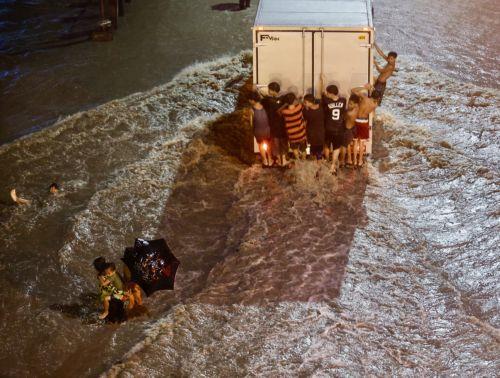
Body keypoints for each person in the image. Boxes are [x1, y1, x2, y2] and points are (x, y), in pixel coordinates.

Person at [351, 84, 381, 168]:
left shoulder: (364, 98)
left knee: (355, 142)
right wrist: (372, 90)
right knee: (361, 143)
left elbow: (353, 90)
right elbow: (373, 115)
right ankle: (360, 161)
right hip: (364, 122)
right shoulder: (375, 105)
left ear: (371, 94)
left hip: (357, 120)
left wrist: (364, 87)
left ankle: (354, 161)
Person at [261, 82, 289, 167]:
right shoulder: (283, 99)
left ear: (273, 90)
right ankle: (283, 159)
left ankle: (279, 161)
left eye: (269, 89)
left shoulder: (268, 101)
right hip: (283, 126)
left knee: (275, 143)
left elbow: (261, 101)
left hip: (273, 126)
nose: (268, 91)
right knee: (283, 142)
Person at [322, 84, 347, 175]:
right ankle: (332, 166)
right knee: (336, 148)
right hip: (339, 129)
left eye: (328, 93)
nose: (327, 94)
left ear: (331, 94)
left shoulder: (327, 101)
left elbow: (324, 95)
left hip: (328, 128)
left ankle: (327, 161)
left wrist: (322, 82)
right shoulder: (343, 100)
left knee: (327, 145)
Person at [280, 93, 307, 160]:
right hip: (301, 133)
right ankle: (303, 160)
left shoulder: (285, 112)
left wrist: (286, 104)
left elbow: (278, 111)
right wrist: (298, 99)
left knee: (294, 148)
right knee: (303, 148)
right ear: (294, 100)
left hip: (291, 134)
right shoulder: (299, 107)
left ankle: (298, 160)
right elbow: (302, 103)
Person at [249, 91, 272, 167]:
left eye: (249, 99)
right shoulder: (265, 106)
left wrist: (252, 131)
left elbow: (251, 123)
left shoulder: (252, 110)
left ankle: (265, 161)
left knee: (261, 145)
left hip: (258, 131)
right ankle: (270, 160)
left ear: (252, 100)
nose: (249, 101)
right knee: (268, 144)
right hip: (267, 130)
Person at [303, 94, 325, 162]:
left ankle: (313, 158)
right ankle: (319, 160)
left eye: (305, 102)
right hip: (321, 132)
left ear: (310, 102)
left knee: (311, 147)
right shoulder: (321, 107)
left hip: (311, 132)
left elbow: (305, 121)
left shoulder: (306, 111)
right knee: (319, 148)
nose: (304, 104)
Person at [342, 93, 361, 167]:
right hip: (354, 129)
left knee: (344, 146)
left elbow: (344, 118)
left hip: (348, 130)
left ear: (355, 104)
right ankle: (351, 159)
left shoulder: (349, 113)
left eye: (350, 104)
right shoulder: (358, 109)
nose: (348, 105)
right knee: (349, 144)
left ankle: (343, 161)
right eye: (348, 103)